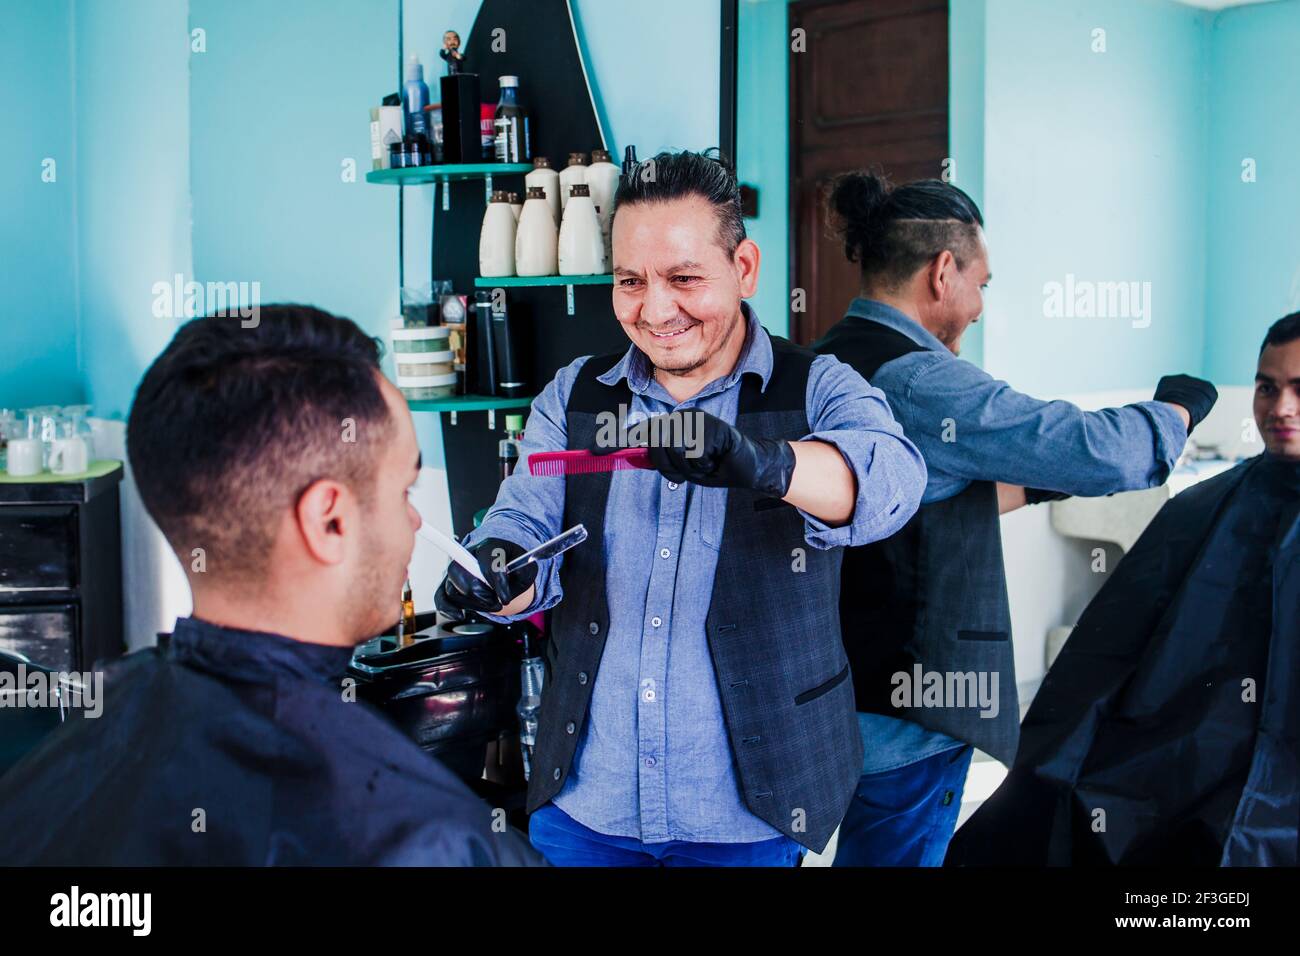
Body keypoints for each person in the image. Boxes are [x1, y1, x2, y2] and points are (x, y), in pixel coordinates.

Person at [436, 150, 928, 866]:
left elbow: (893, 482)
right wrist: (498, 571)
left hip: (750, 813)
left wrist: (766, 463)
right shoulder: (575, 395)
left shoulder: (817, 384)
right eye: (630, 282)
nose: (655, 310)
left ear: (745, 268)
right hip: (585, 808)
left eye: (684, 278)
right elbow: (523, 520)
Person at [0, 305, 541, 866]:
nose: (411, 524)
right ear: (329, 521)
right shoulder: (434, 838)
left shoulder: (55, 762)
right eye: (403, 492)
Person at [811, 172, 1218, 866]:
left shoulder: (827, 356)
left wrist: (1034, 485)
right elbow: (1097, 450)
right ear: (944, 273)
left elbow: (903, 502)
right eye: (982, 285)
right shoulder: (919, 378)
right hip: (906, 710)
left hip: (833, 690)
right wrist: (1177, 409)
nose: (978, 307)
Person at [948, 312, 1300, 866]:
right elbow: (1109, 655)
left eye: (1299, 390)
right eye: (1267, 387)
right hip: (1184, 765)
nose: (1280, 408)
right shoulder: (1204, 507)